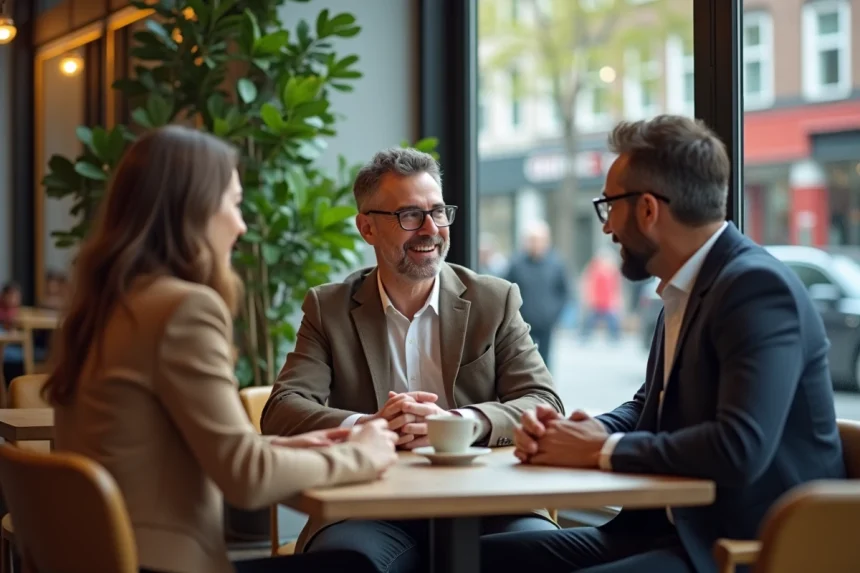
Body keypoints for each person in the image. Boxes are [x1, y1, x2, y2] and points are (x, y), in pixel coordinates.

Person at [481, 114, 847, 573]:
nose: (606, 228)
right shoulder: (683, 288)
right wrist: (586, 432)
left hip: (742, 549)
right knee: (476, 559)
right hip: (664, 534)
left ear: (648, 210)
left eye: (608, 206)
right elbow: (648, 407)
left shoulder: (756, 288)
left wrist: (599, 450)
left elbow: (738, 448)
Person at [45, 125, 399, 573]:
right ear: (193, 210)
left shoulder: (105, 306)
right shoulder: (182, 309)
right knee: (356, 568)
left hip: (104, 558)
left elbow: (169, 446)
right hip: (163, 565)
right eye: (233, 204)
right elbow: (246, 479)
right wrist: (363, 454)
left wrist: (295, 448)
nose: (241, 225)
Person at [260, 147, 564, 572]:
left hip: (488, 497)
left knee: (539, 556)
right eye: (409, 215)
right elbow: (281, 410)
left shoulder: (493, 299)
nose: (430, 229)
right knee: (347, 564)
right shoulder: (329, 308)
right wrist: (370, 426)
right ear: (367, 227)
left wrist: (460, 423)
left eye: (438, 212)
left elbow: (544, 402)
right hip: (370, 504)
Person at [504, 220, 570, 367]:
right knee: (523, 362)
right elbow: (506, 290)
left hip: (546, 324)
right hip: (522, 324)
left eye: (539, 240)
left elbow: (564, 292)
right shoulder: (516, 264)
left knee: (545, 363)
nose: (536, 244)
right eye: (532, 240)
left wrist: (554, 315)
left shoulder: (556, 264)